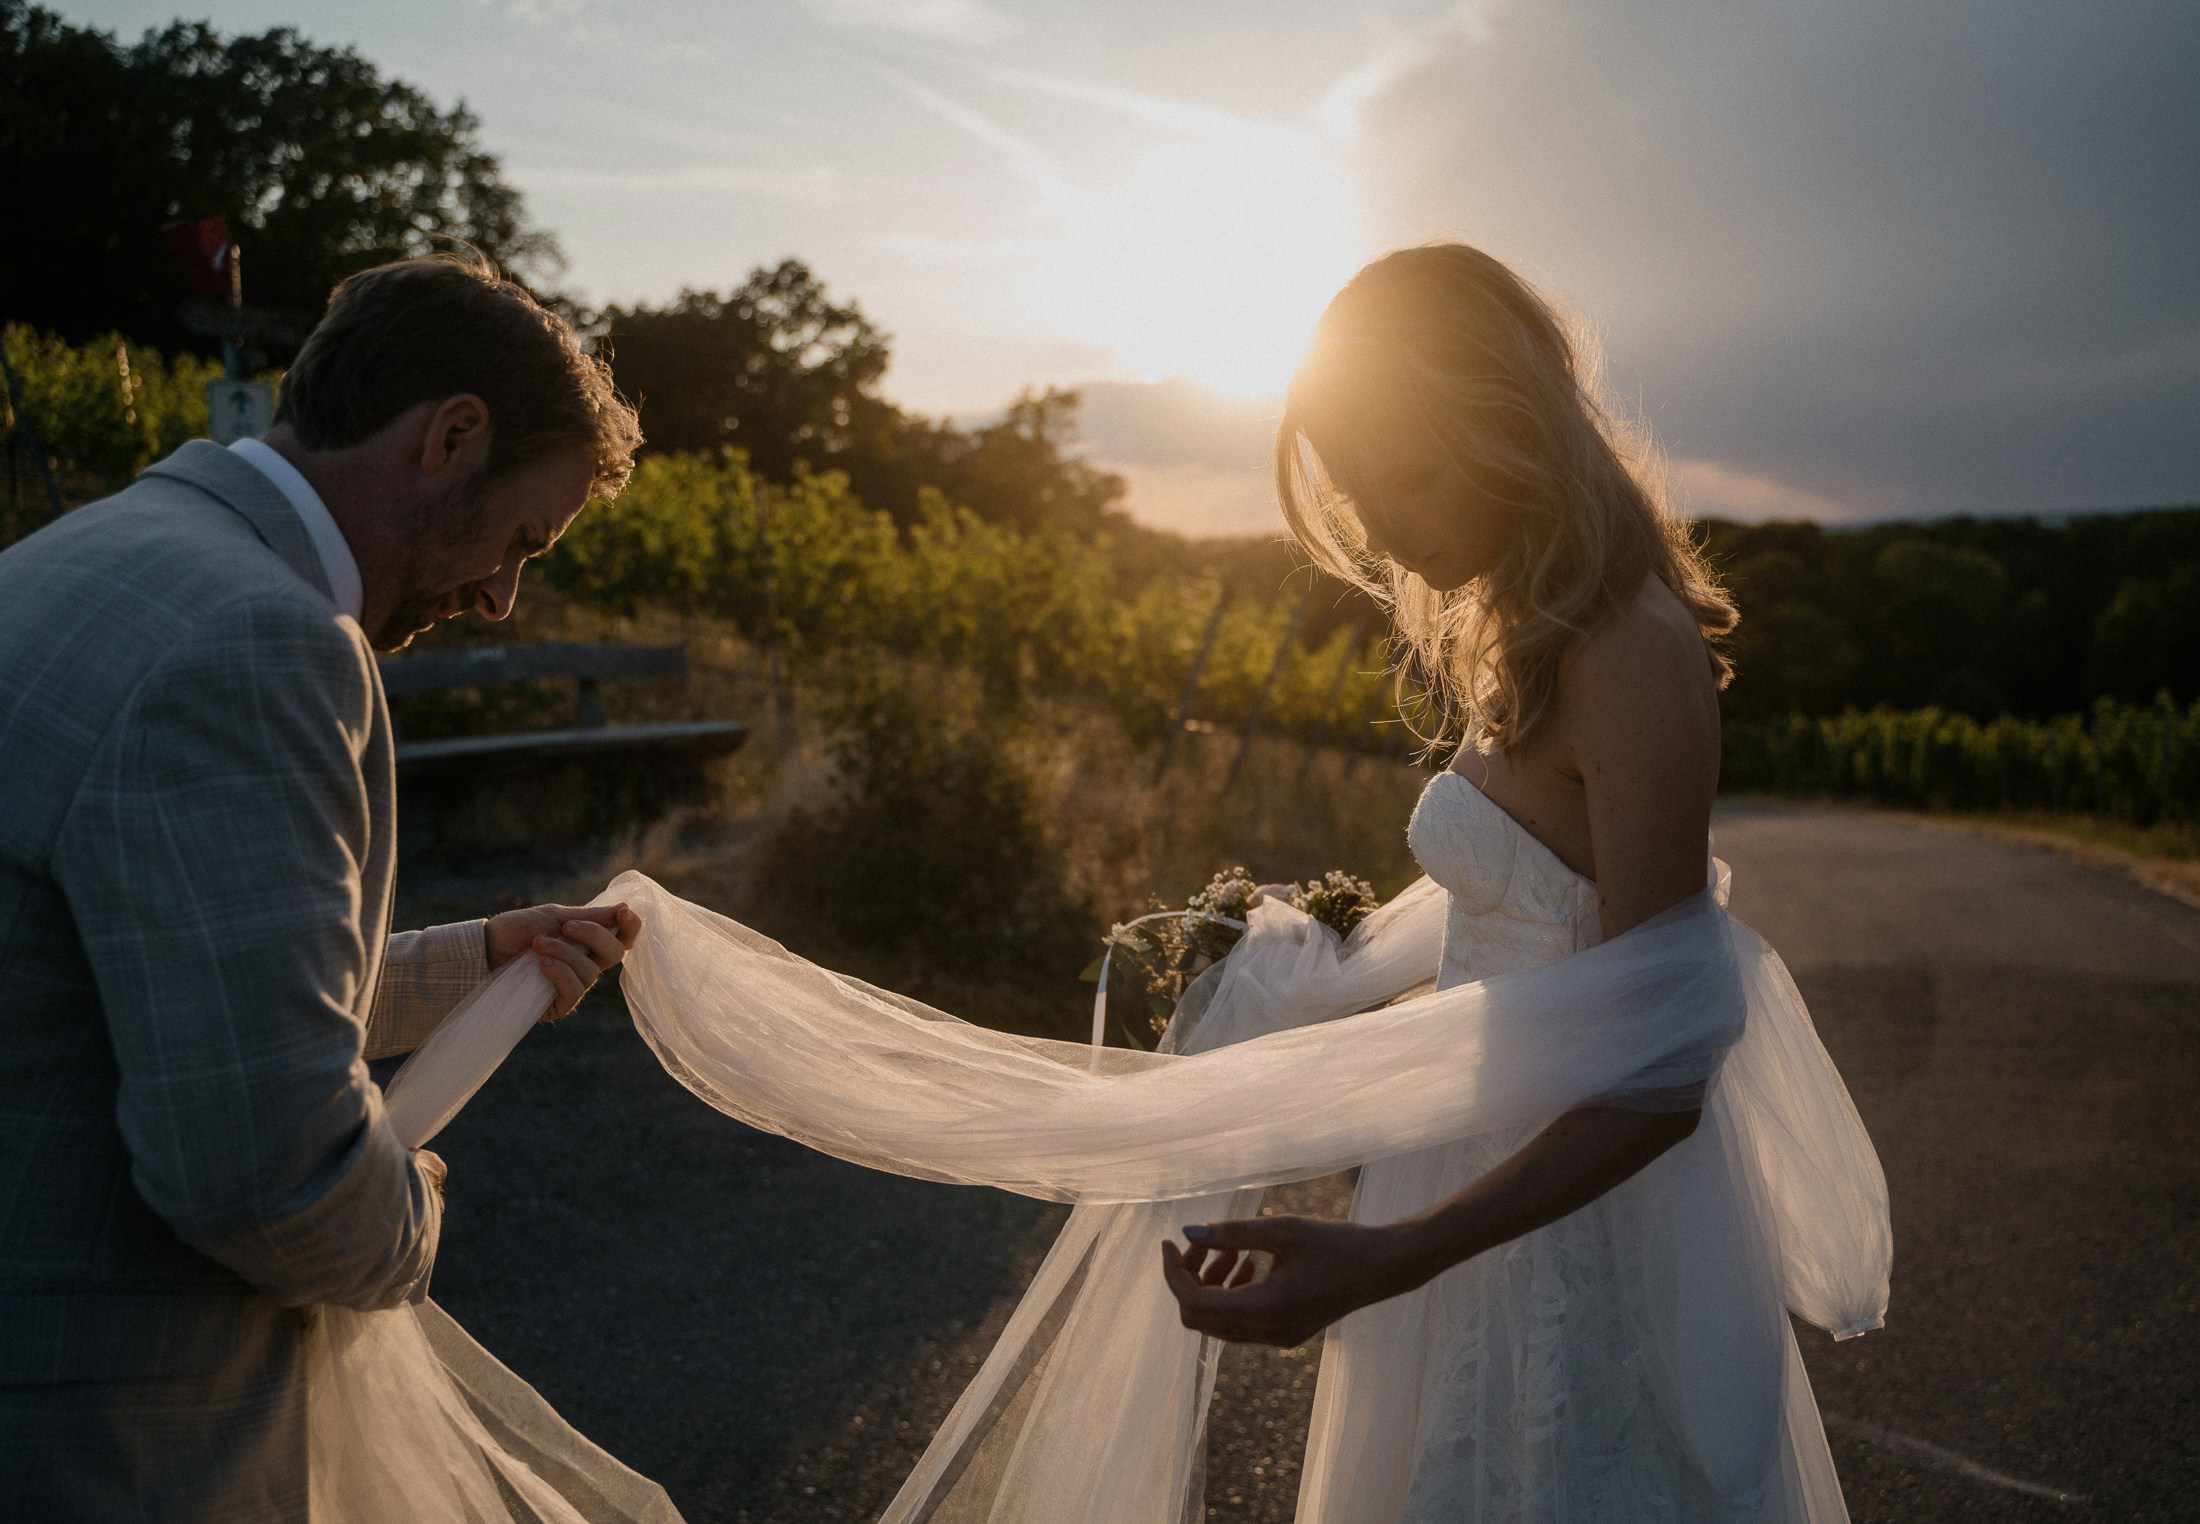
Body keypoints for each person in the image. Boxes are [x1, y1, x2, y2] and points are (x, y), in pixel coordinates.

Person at [1150, 242, 1849, 1517]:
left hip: (1567, 1238)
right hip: (1472, 1186)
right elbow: (1524, 922)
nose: (1387, 529)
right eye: (1359, 497)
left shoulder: (1628, 653)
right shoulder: (1532, 631)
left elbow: (1661, 1073)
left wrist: (1387, 1260)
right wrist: (1308, 959)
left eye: (1407, 475)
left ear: (1509, 422)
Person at [0, 255, 649, 1520]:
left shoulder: (89, 551)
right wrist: (410, 1205)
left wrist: (472, 960)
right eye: (522, 538)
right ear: (450, 435)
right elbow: (264, 1174)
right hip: (99, 1449)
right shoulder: (261, 635)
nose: (503, 598)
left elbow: (147, 976)